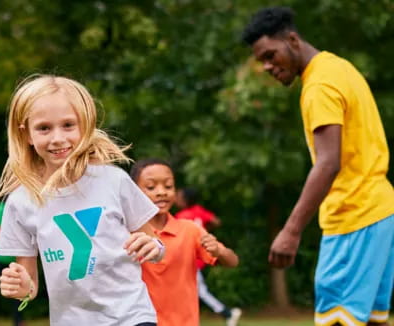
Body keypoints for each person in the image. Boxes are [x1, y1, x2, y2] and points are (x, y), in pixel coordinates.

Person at [242, 7, 394, 326]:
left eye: (271, 55)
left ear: (293, 40)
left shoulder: (319, 87)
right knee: (370, 319)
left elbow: (328, 163)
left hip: (354, 215)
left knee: (337, 319)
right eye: (263, 61)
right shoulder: (339, 67)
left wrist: (291, 230)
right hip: (381, 212)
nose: (269, 66)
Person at [0, 74, 166, 326]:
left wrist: (154, 247)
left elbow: (156, 244)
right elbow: (29, 289)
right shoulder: (21, 202)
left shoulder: (113, 181)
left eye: (68, 125)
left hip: (131, 315)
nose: (57, 138)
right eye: (44, 128)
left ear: (84, 125)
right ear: (26, 134)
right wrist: (21, 287)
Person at [130, 158, 239, 326]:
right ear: (133, 192)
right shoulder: (127, 233)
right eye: (151, 187)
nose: (161, 192)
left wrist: (219, 250)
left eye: (168, 186)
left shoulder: (189, 230)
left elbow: (232, 261)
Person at [175, 187, 242, 325]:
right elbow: (217, 221)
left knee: (200, 291)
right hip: (201, 255)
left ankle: (227, 313)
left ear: (186, 199)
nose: (176, 198)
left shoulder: (181, 217)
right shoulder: (199, 211)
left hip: (190, 258)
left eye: (179, 196)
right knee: (196, 290)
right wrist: (205, 230)